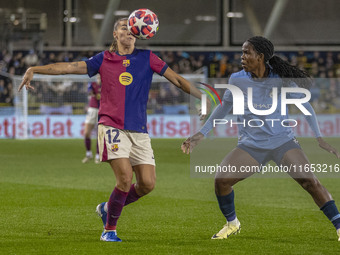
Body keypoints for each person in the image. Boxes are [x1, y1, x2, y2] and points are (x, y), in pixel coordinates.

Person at [19, 17, 204, 242]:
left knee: (147, 184)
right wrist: (34, 69)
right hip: (111, 126)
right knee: (125, 179)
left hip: (139, 130)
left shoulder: (148, 58)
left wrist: (205, 97)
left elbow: (177, 79)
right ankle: (109, 230)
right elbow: (69, 67)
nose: (130, 31)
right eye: (124, 28)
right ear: (115, 35)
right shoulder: (103, 59)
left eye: (132, 28)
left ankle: (108, 207)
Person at [181, 36, 340, 241]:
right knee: (221, 181)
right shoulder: (237, 80)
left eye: (247, 52)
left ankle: (338, 225)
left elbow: (305, 106)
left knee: (310, 181)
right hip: (251, 146)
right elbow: (224, 107)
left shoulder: (280, 78)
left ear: (260, 56)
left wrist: (319, 137)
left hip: (282, 141)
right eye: (242, 52)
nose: (242, 57)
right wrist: (201, 134)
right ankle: (232, 224)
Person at [82, 74, 101, 164]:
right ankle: (88, 154)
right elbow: (89, 91)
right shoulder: (93, 84)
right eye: (98, 77)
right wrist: (93, 93)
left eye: (100, 77)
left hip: (102, 110)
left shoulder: (107, 86)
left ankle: (98, 156)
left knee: (99, 135)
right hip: (92, 109)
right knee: (86, 133)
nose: (99, 79)